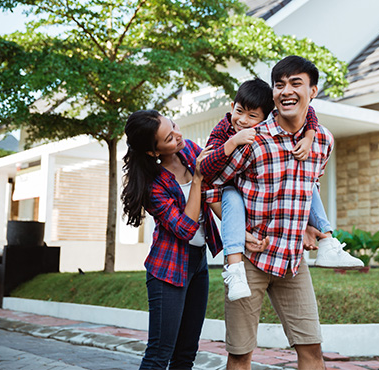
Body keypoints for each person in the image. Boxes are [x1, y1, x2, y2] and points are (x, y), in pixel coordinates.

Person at [204, 55, 336, 370]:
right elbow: (210, 182)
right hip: (250, 259)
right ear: (273, 93)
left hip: (292, 260)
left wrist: (306, 224)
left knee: (312, 351)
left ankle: (332, 242)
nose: (286, 91)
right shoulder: (253, 139)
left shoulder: (322, 141)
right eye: (280, 85)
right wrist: (238, 232)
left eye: (296, 83)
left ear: (313, 91)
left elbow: (309, 184)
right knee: (240, 355)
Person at [201, 78, 362, 302]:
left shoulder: (267, 132)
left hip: (274, 230)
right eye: (240, 112)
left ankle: (327, 241)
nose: (243, 120)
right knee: (234, 199)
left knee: (309, 182)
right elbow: (205, 171)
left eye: (252, 116)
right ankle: (235, 269)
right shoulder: (225, 128)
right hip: (229, 190)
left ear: (266, 117)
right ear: (232, 107)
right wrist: (233, 141)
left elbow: (311, 113)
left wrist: (309, 135)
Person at [120, 109, 222, 370]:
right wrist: (198, 179)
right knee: (159, 353)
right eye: (168, 138)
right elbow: (186, 228)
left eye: (173, 126)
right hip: (168, 270)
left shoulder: (187, 150)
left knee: (187, 352)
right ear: (153, 152)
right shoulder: (154, 186)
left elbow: (218, 162)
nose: (178, 136)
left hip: (198, 263)